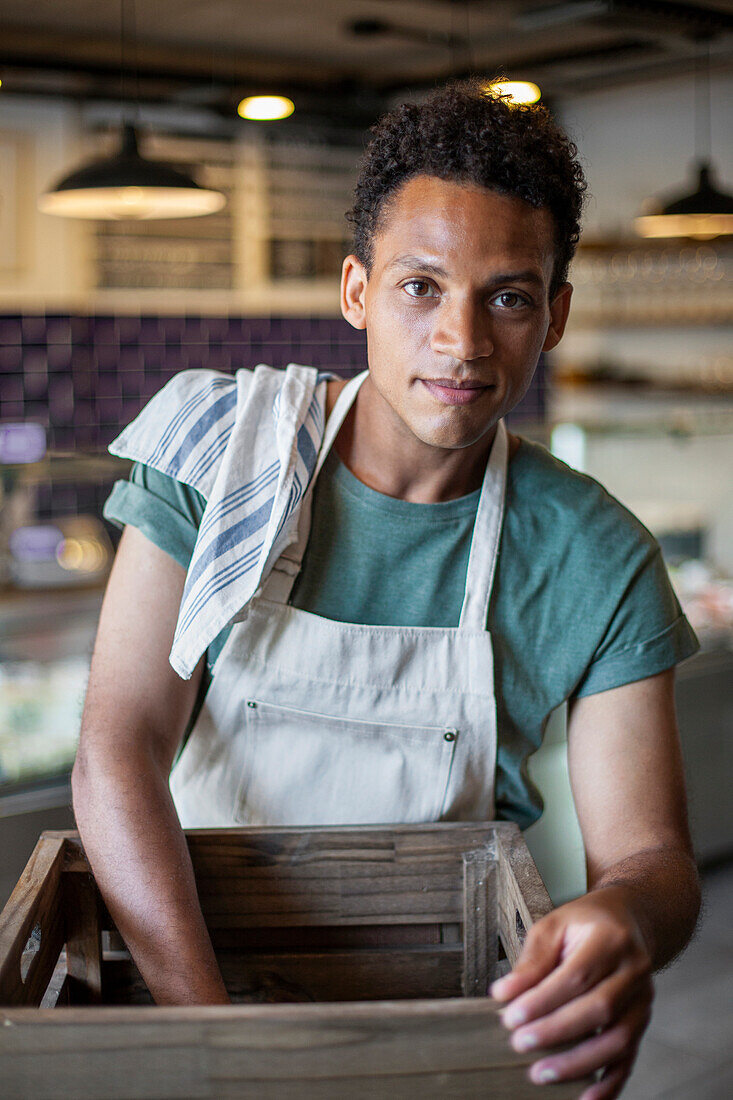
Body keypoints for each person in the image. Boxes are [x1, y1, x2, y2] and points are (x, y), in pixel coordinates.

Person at [73, 80, 700, 1099]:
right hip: (187, 976)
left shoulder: (595, 553)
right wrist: (210, 1041)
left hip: (442, 1035)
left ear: (554, 314)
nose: (461, 341)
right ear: (357, 290)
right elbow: (119, 746)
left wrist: (620, 916)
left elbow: (651, 854)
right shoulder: (224, 459)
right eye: (420, 286)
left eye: (507, 294)